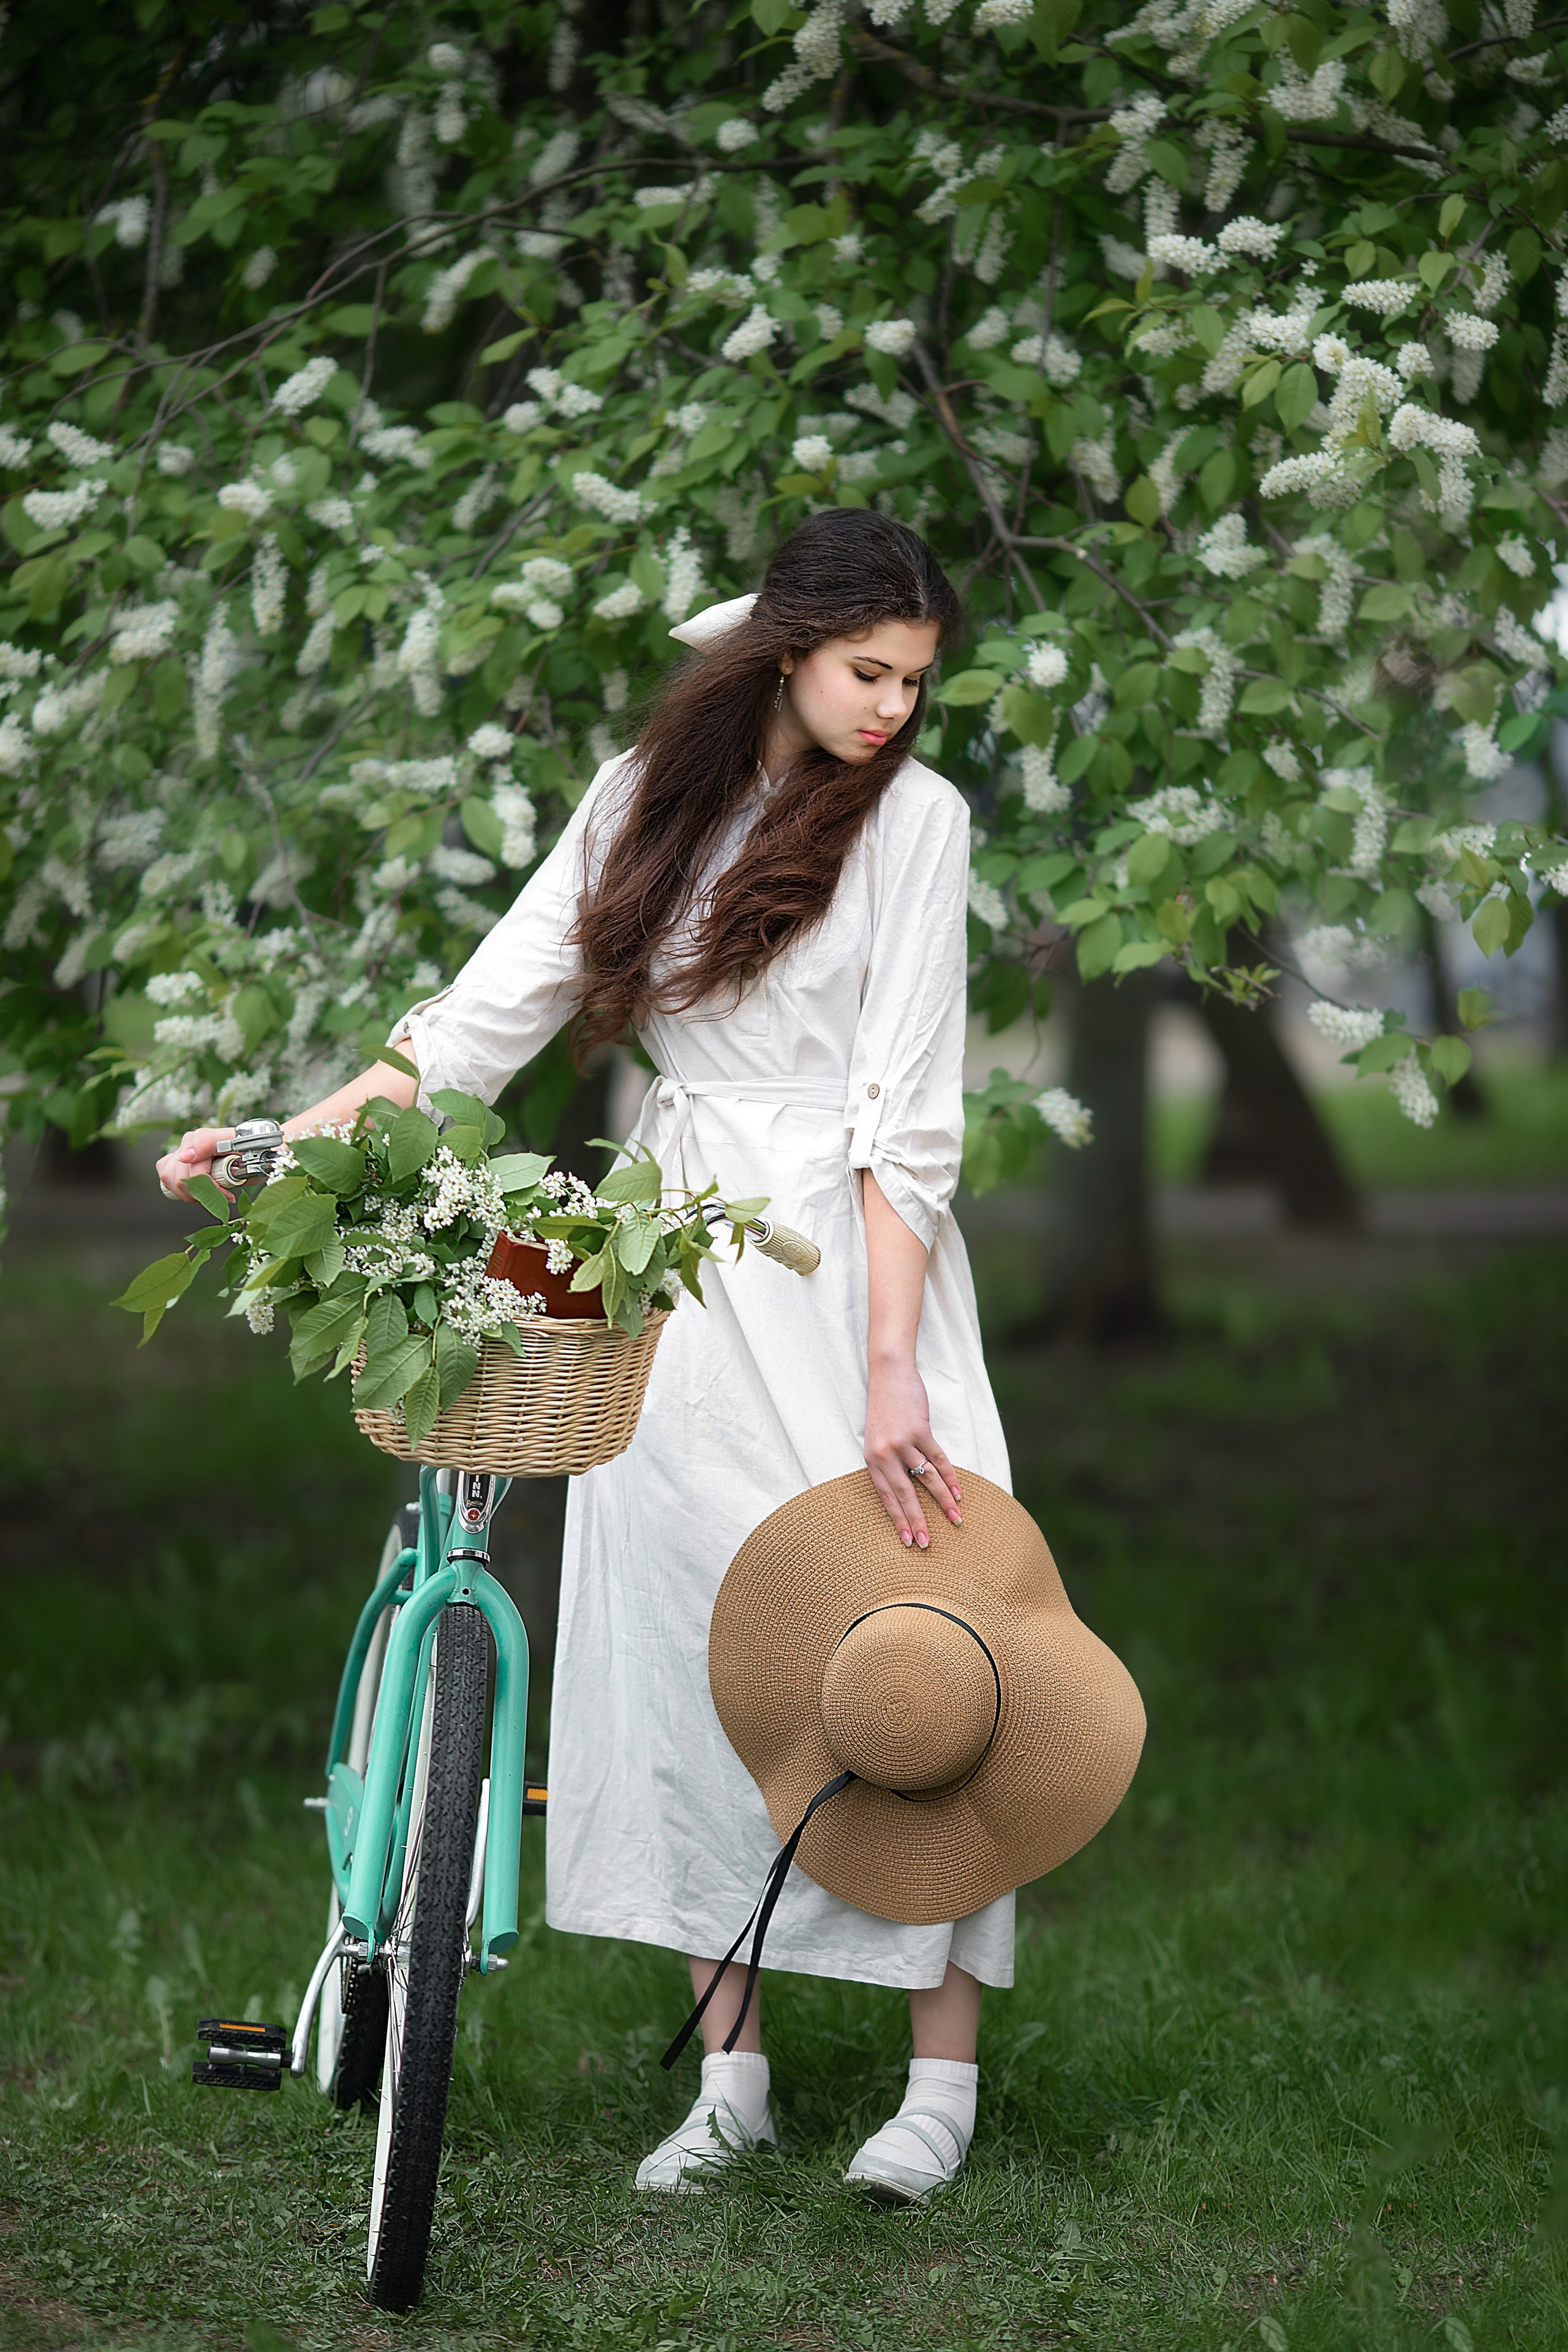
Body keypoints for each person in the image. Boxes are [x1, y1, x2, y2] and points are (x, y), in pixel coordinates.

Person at [157, 509, 1016, 2204]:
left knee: (920, 1639)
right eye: (869, 672)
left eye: (918, 680)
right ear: (786, 650)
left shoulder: (917, 822)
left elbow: (909, 1118)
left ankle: (942, 2081)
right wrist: (274, 1138)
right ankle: (732, 2077)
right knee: (698, 1647)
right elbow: (475, 1026)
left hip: (855, 1268)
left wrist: (892, 1365)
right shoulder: (642, 800)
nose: (896, 709)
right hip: (673, 1263)